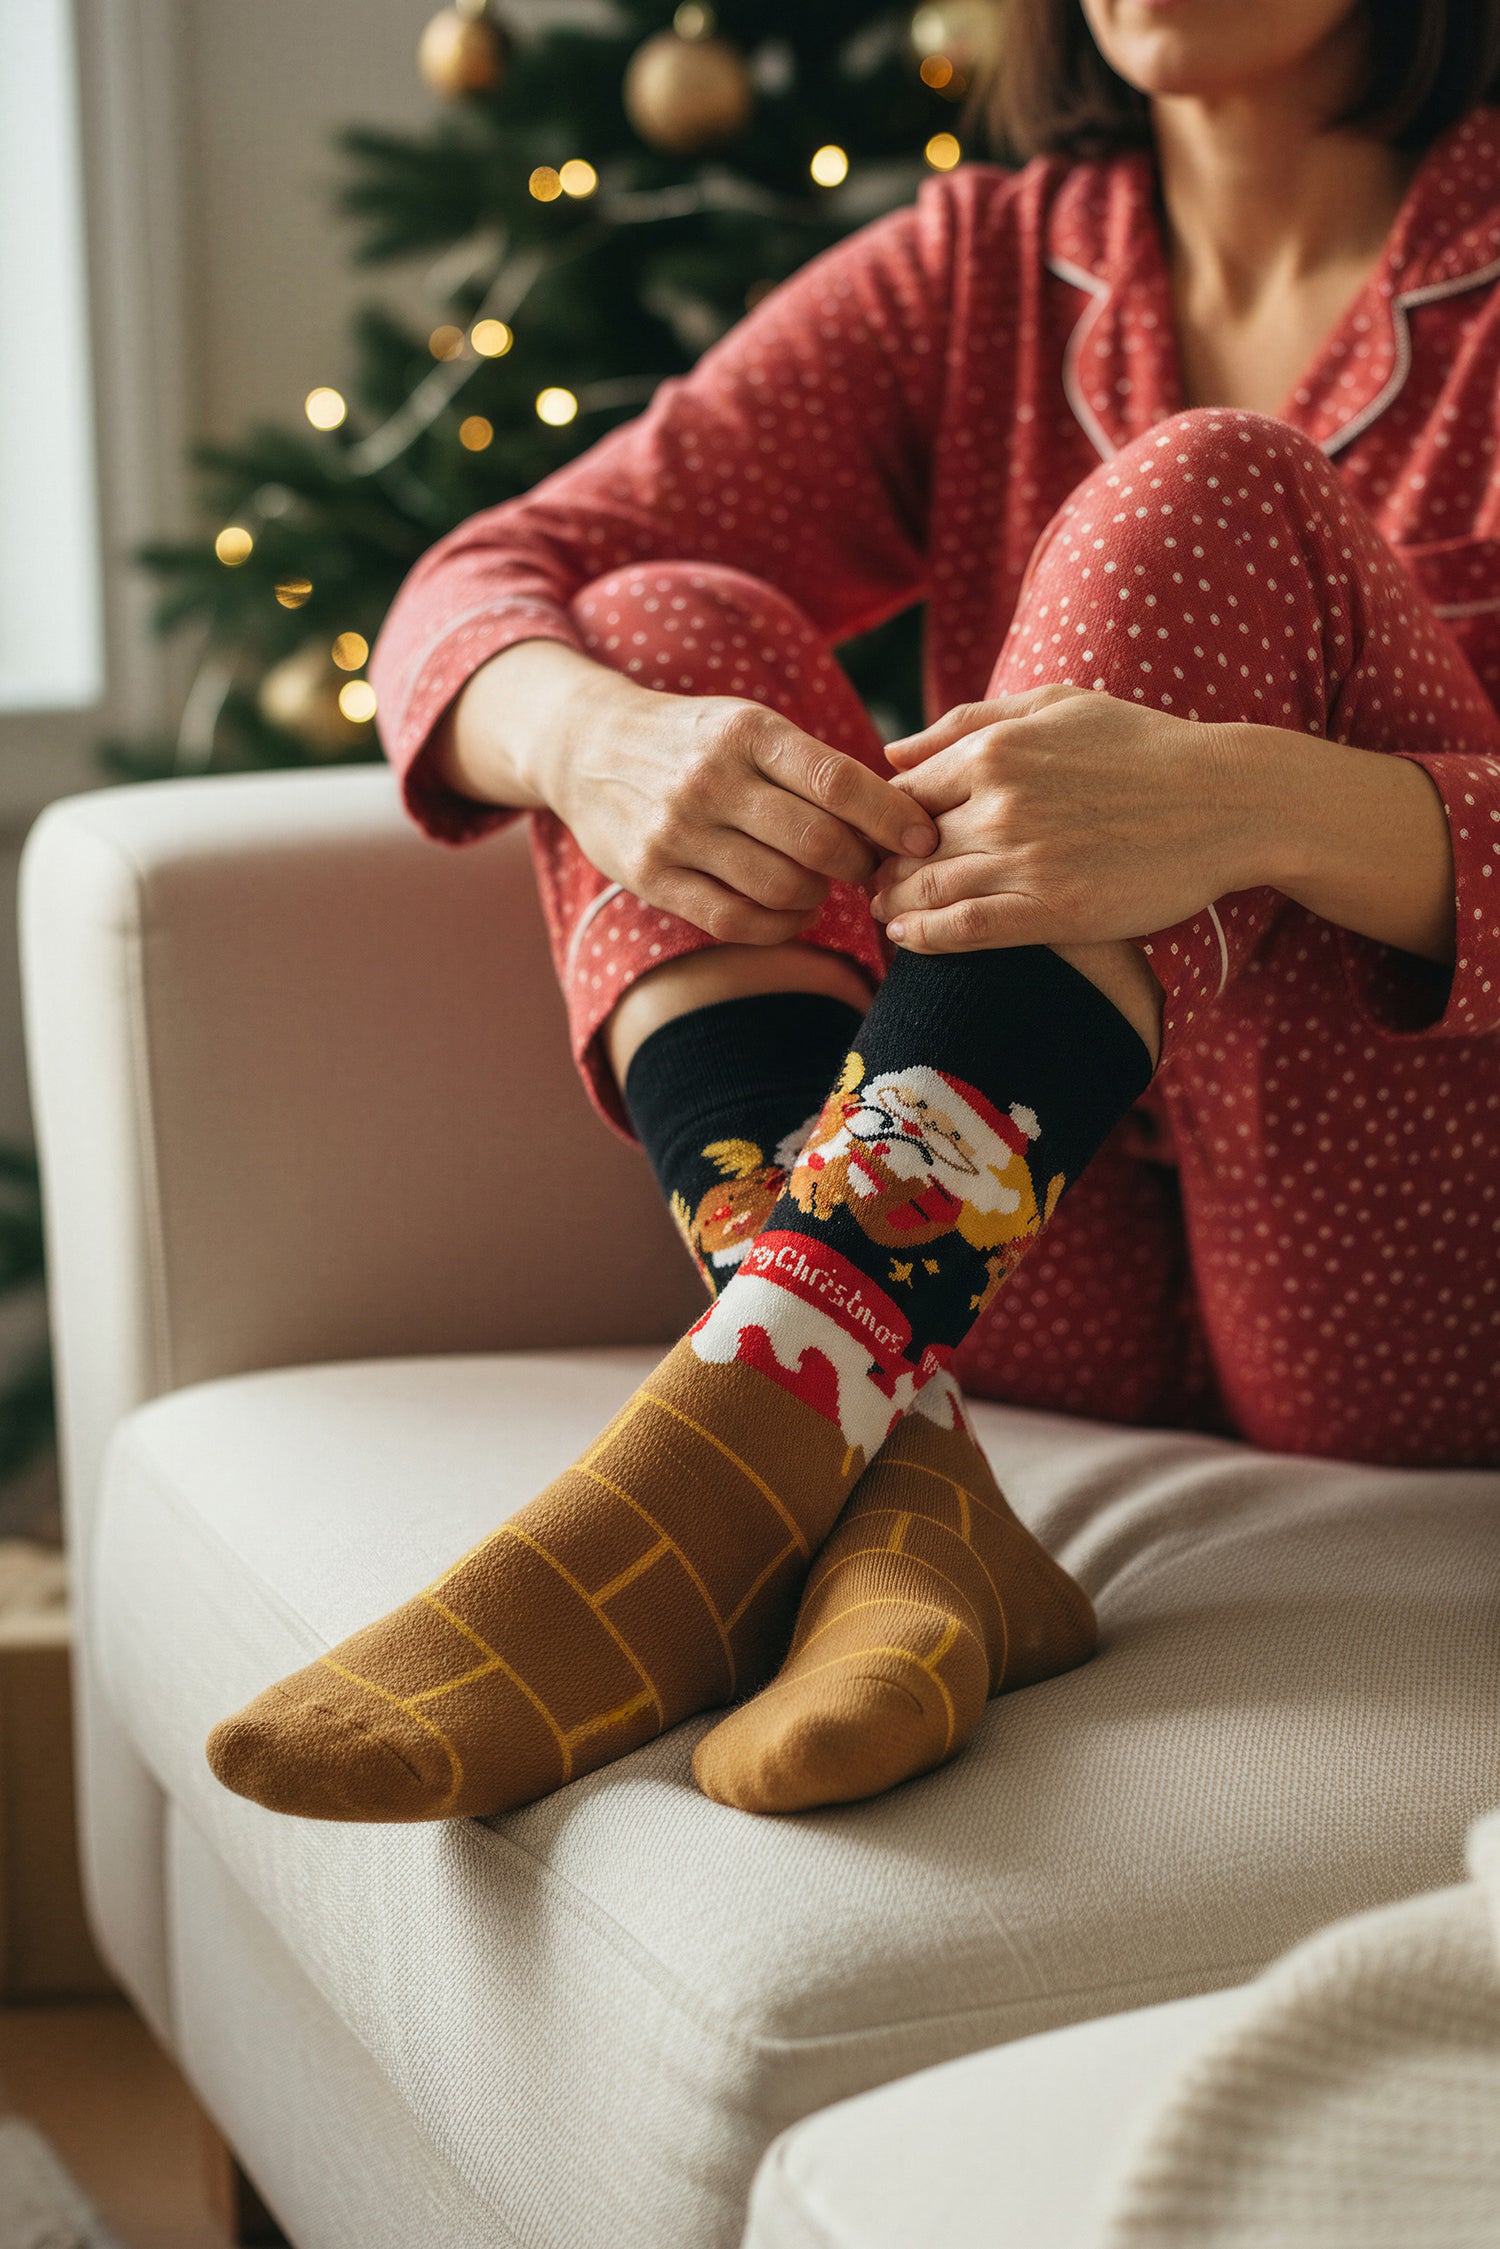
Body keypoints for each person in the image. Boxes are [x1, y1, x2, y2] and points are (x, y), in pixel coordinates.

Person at [207, 0, 1500, 1828]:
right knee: (647, 629)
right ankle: (902, 1493)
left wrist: (1266, 805)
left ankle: (719, 1464)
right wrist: (590, 739)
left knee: (1206, 492)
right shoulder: (986, 267)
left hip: (1412, 1264)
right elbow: (480, 583)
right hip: (1013, 1254)